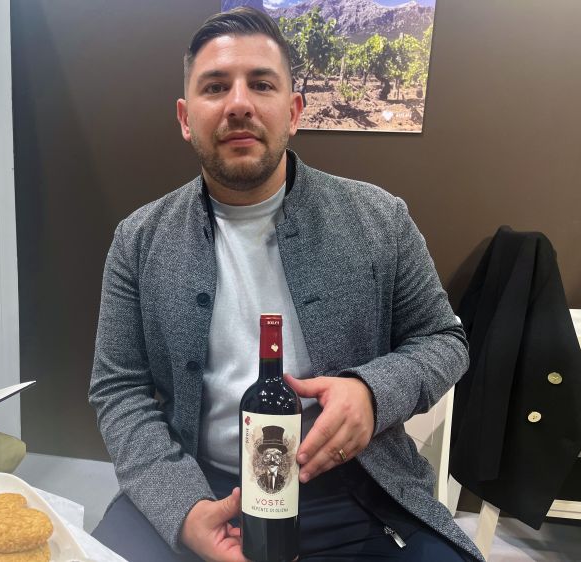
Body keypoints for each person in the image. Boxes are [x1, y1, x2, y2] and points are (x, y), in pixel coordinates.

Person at [89, 7, 482, 562]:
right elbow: (118, 389)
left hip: (356, 487)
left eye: (262, 84)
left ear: (294, 111)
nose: (239, 103)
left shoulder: (379, 218)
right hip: (201, 488)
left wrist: (372, 394)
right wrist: (185, 511)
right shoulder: (138, 239)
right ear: (185, 118)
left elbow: (444, 339)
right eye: (215, 86)